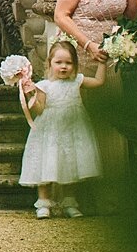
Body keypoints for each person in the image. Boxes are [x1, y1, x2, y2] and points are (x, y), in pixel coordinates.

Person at [52, 0, 137, 191]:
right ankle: (75, 194)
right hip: (79, 53)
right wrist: (87, 45)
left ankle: (110, 193)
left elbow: (132, 14)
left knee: (110, 122)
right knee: (78, 124)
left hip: (109, 56)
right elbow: (61, 15)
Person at [15, 38, 106, 218]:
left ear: (75, 64)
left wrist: (102, 62)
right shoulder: (43, 86)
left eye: (68, 63)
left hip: (73, 127)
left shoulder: (77, 81)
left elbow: (99, 82)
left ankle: (69, 202)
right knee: (47, 162)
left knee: (70, 162)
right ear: (49, 64)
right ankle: (44, 203)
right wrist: (31, 96)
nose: (63, 67)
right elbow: (40, 109)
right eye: (58, 62)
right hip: (50, 130)